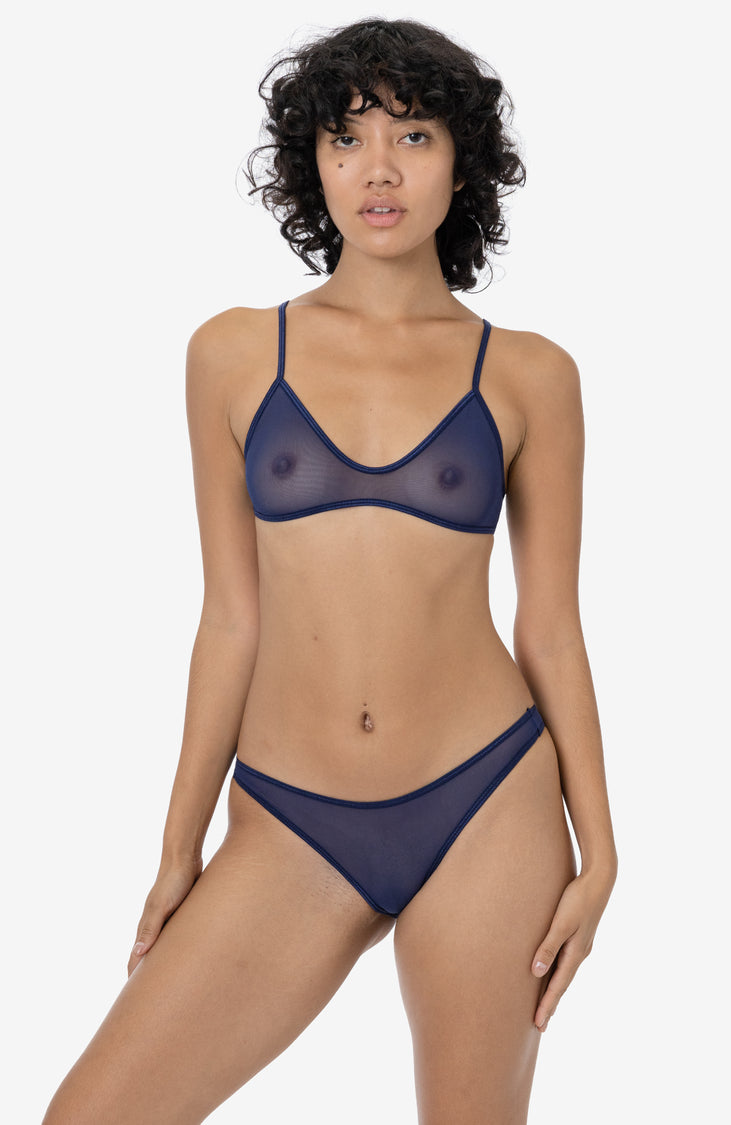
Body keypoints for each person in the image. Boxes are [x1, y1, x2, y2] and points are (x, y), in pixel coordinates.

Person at [43, 16, 617, 1125]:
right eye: (347, 139)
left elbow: (550, 626)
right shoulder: (232, 353)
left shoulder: (530, 375)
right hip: (290, 818)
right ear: (312, 163)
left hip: (487, 801)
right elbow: (230, 618)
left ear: (463, 164)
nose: (379, 170)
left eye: (414, 136)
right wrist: (179, 846)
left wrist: (601, 853)